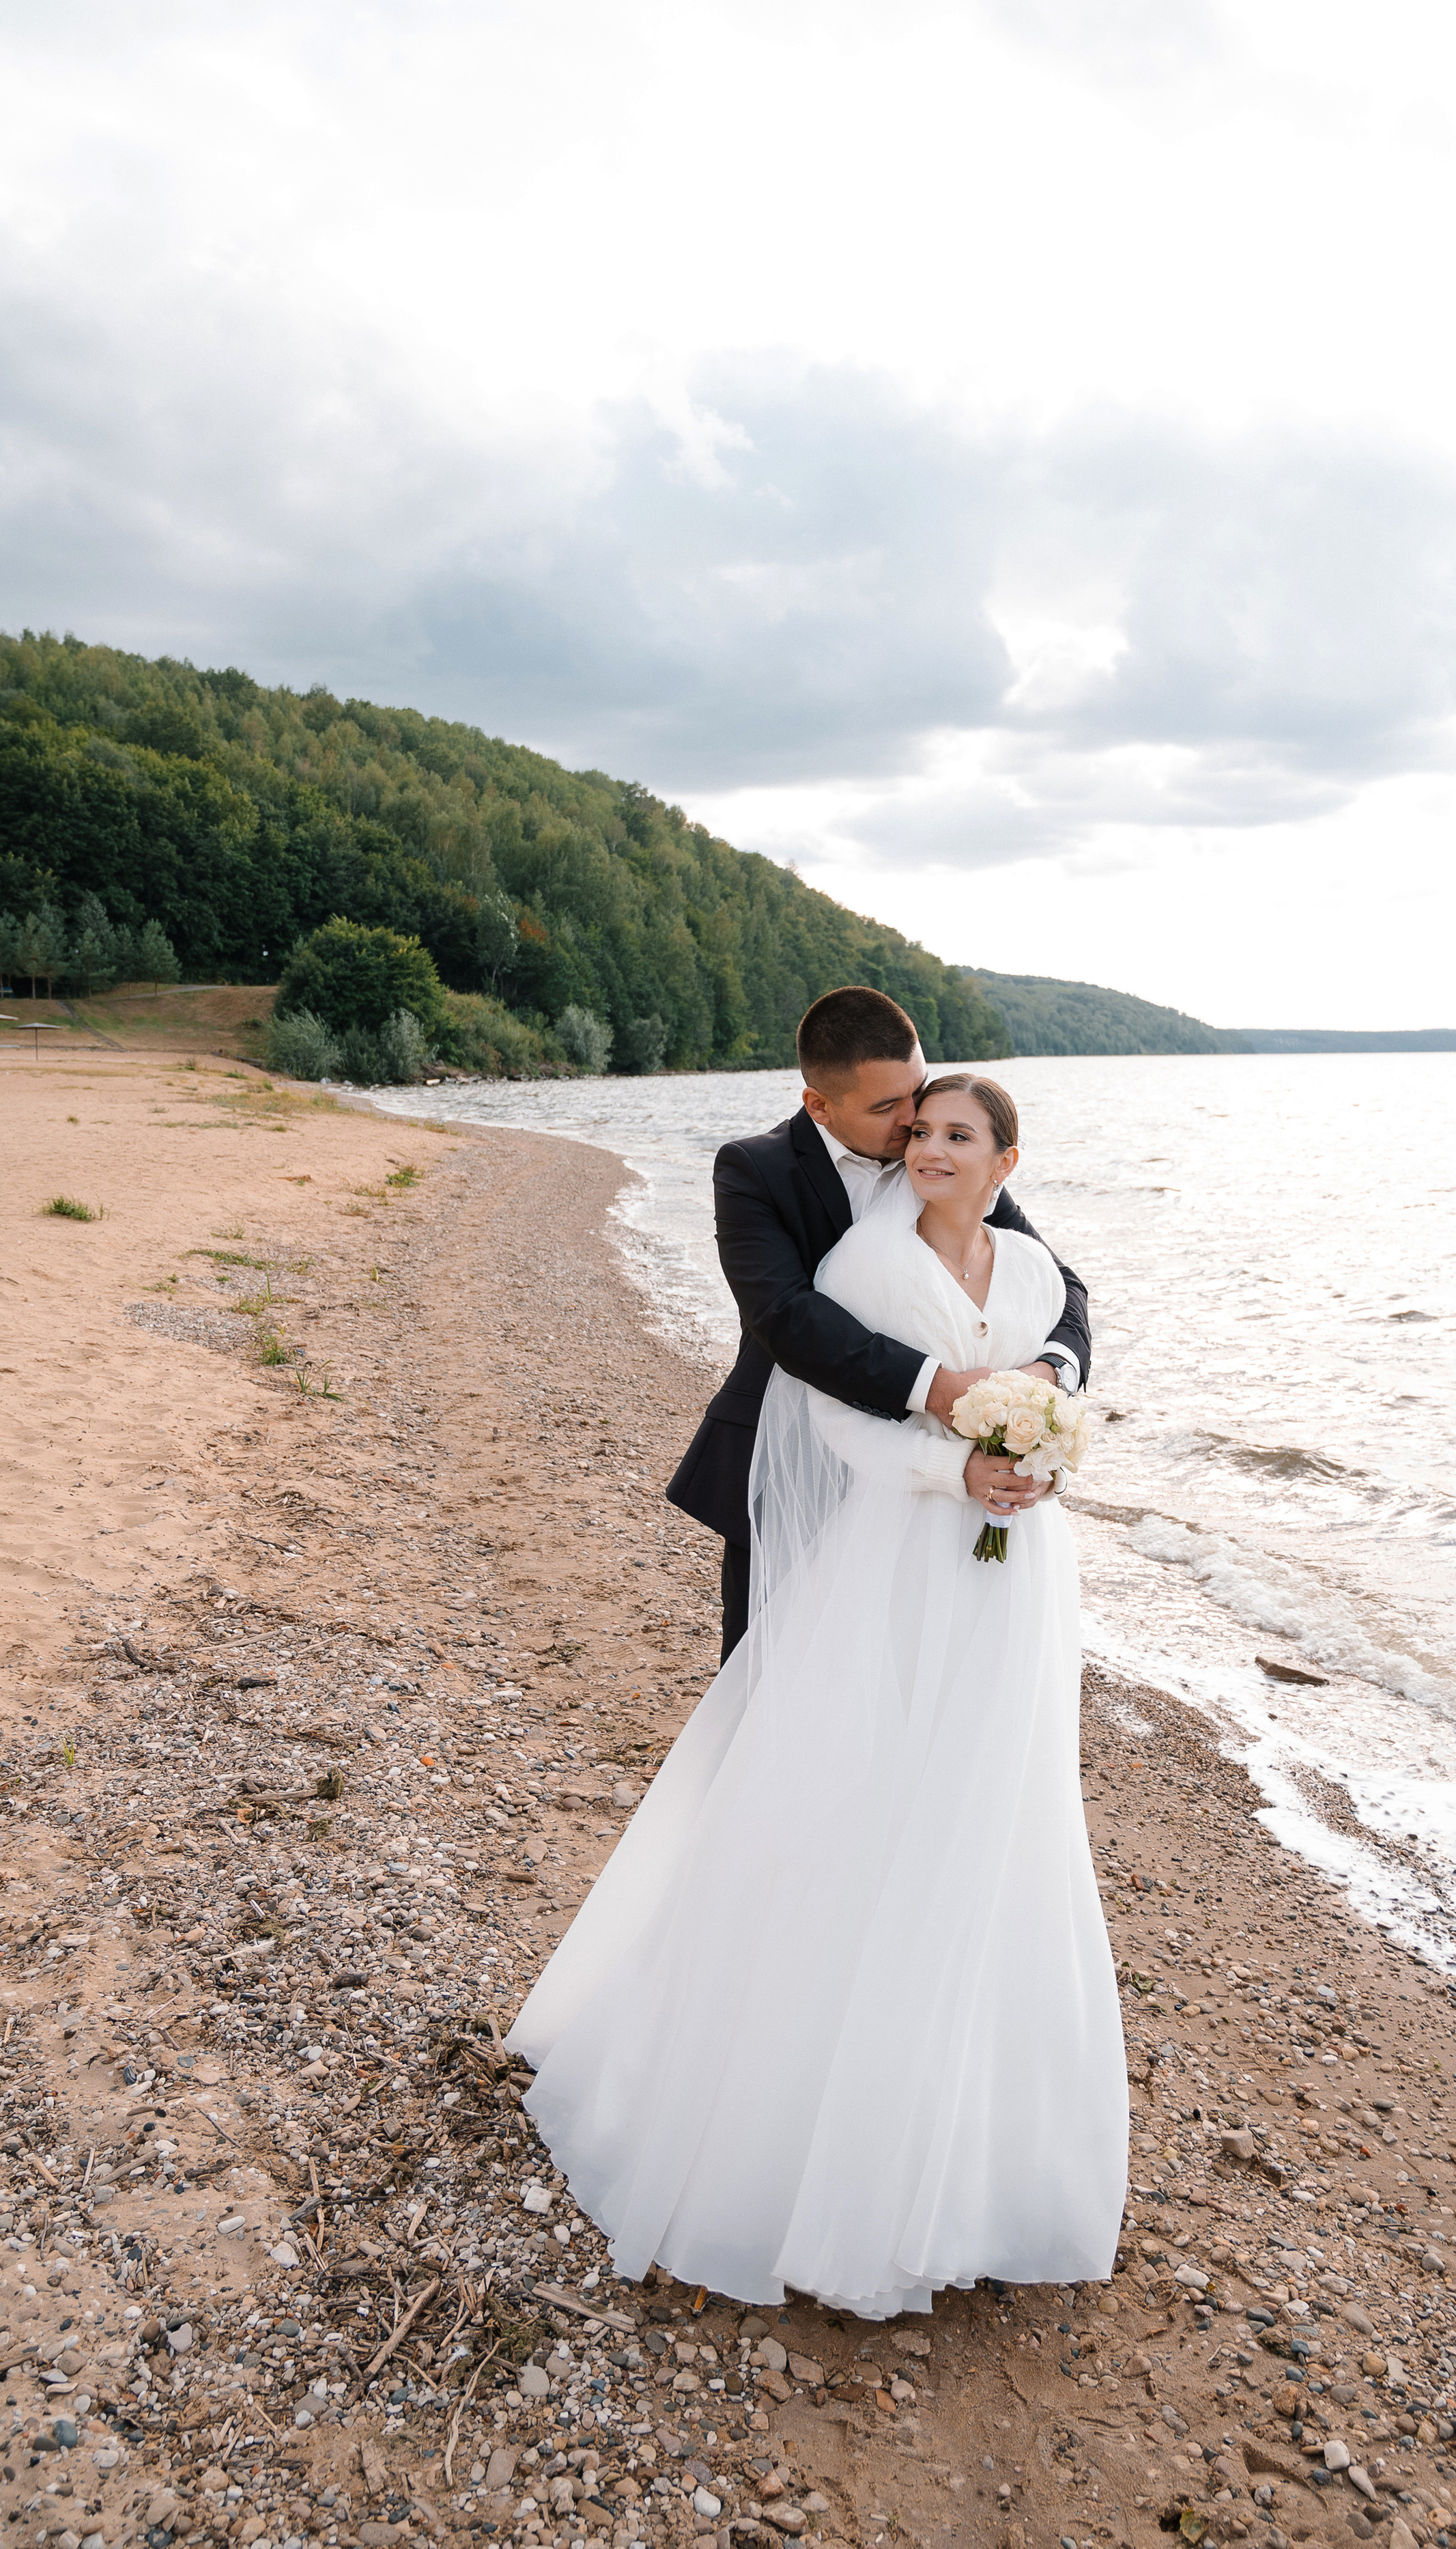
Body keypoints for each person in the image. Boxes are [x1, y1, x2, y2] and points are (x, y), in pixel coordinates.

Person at [508, 1070, 1126, 2316]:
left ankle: (976, 2150)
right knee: (851, 1791)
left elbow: (1067, 1325)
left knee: (989, 1808)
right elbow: (819, 1389)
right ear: (840, 1101)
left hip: (1015, 1582)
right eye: (916, 1124)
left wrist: (1043, 1431)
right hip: (895, 1554)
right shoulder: (853, 1249)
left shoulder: (1027, 1260)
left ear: (1005, 1159)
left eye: (953, 1132)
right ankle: (795, 2125)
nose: (923, 1143)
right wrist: (957, 1467)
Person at [666, 985, 1091, 1658]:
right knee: (766, 1666)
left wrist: (1046, 1378)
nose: (913, 1119)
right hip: (791, 1453)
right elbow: (785, 1317)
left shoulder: (938, 1160)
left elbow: (1056, 1282)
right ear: (820, 1106)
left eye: (915, 1091)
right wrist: (941, 1388)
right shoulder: (754, 1169)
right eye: (887, 1106)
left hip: (926, 1483)